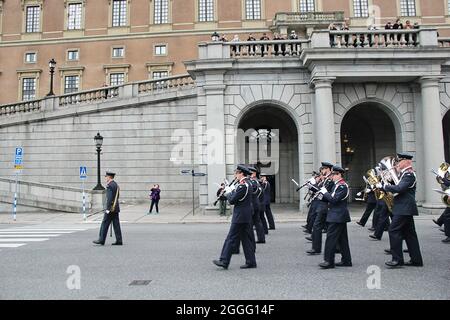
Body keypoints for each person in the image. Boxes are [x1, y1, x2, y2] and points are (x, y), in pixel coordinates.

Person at [378, 153, 424, 268]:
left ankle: (397, 259)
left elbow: (399, 188)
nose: (397, 164)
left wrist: (384, 186)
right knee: (409, 234)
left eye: (399, 161)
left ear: (407, 162)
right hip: (404, 207)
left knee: (393, 230)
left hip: (404, 208)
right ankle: (416, 260)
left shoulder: (409, 175)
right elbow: (398, 188)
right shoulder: (403, 174)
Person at [213, 165, 257, 270]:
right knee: (246, 240)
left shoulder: (243, 186)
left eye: (236, 173)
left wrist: (228, 192)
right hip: (245, 216)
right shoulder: (246, 184)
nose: (235, 175)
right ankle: (251, 261)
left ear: (241, 173)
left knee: (231, 238)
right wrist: (228, 191)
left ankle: (224, 260)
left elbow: (233, 200)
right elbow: (236, 197)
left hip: (240, 216)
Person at [318, 165, 352, 269]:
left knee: (331, 239)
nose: (331, 176)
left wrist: (325, 192)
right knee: (342, 240)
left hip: (337, 215)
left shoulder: (342, 186)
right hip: (336, 215)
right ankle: (346, 260)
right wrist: (320, 194)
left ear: (339, 175)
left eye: (334, 174)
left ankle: (329, 261)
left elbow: (334, 199)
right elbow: (329, 198)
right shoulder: (335, 185)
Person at [307, 162, 334, 255]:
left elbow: (325, 192)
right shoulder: (326, 179)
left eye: (324, 169)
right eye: (322, 169)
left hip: (325, 205)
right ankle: (338, 247)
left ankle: (316, 248)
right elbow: (320, 189)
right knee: (327, 227)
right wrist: (312, 186)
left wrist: (315, 188)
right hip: (321, 204)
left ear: (329, 169)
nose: (322, 171)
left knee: (317, 226)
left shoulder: (330, 180)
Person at [93, 171, 123, 246]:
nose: (105, 178)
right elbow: (117, 196)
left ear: (109, 177)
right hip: (115, 207)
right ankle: (119, 240)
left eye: (106, 176)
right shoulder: (115, 184)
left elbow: (109, 198)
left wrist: (107, 209)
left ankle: (101, 239)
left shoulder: (109, 185)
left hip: (110, 209)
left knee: (104, 223)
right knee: (116, 224)